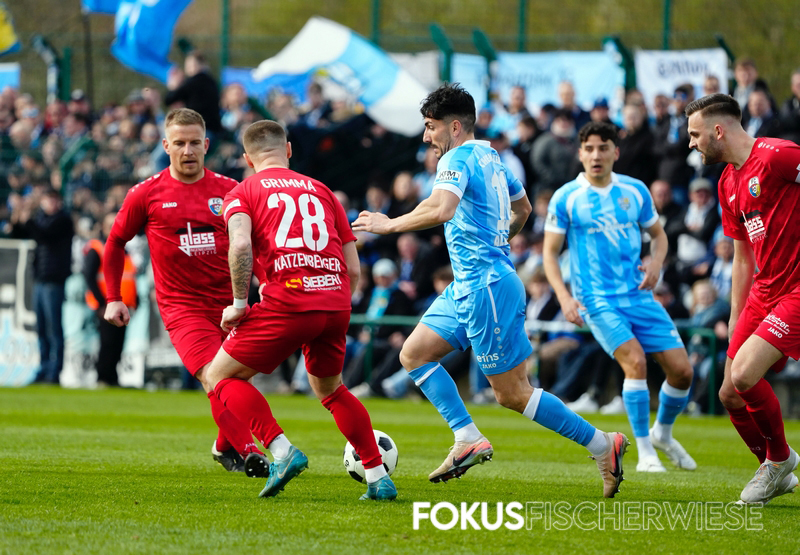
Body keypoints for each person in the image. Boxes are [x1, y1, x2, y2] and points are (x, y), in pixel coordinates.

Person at [353, 83, 629, 498]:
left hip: (487, 287)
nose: (426, 137)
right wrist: (499, 239)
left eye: (430, 127)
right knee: (414, 354)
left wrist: (388, 224)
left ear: (455, 126)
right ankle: (466, 437)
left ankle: (603, 444)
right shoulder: (492, 157)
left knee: (513, 393)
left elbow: (442, 208)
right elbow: (523, 208)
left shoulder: (457, 157)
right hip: (470, 284)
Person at [204, 120, 397, 501]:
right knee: (332, 390)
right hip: (335, 302)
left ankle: (281, 451)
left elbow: (240, 246)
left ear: (246, 159)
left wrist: (239, 305)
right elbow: (353, 268)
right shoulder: (323, 191)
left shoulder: (243, 192)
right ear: (289, 150)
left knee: (219, 377)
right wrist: (334, 302)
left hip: (289, 300)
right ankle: (378, 477)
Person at [103, 108, 268, 476]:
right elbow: (114, 242)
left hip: (232, 303)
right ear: (166, 146)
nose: (188, 150)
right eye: (179, 143)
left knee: (235, 382)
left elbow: (253, 243)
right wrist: (114, 297)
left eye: (194, 142)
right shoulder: (146, 193)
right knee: (214, 376)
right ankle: (249, 453)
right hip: (182, 308)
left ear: (206, 145)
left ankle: (223, 445)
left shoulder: (230, 190)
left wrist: (266, 283)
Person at [543, 121, 696, 473]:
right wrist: (564, 297)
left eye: (603, 148)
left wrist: (656, 263)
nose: (596, 155)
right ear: (580, 154)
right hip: (596, 299)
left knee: (682, 372)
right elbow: (550, 253)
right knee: (636, 362)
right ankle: (645, 452)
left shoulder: (635, 190)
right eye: (589, 149)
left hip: (639, 295)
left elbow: (659, 236)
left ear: (616, 152)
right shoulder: (567, 197)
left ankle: (662, 434)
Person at [686, 93, 800, 504]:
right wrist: (737, 314)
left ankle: (779, 460)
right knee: (729, 393)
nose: (691, 143)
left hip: (797, 289)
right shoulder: (727, 182)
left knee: (745, 374)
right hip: (763, 291)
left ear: (718, 130)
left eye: (695, 134)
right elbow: (741, 257)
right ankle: (775, 469)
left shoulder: (777, 155)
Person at [24, 187, 74, 384]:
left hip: (54, 280)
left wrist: (28, 220)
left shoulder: (63, 220)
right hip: (40, 279)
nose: (50, 203)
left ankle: (54, 371)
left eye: (53, 199)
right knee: (42, 328)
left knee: (54, 328)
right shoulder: (41, 219)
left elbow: (44, 235)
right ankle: (44, 368)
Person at [82, 211, 137, 387]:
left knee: (118, 344)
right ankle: (103, 377)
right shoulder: (98, 248)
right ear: (103, 227)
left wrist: (134, 300)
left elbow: (129, 277)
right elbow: (89, 277)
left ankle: (112, 378)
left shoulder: (124, 249)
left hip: (123, 306)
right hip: (107, 306)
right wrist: (102, 303)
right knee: (107, 343)